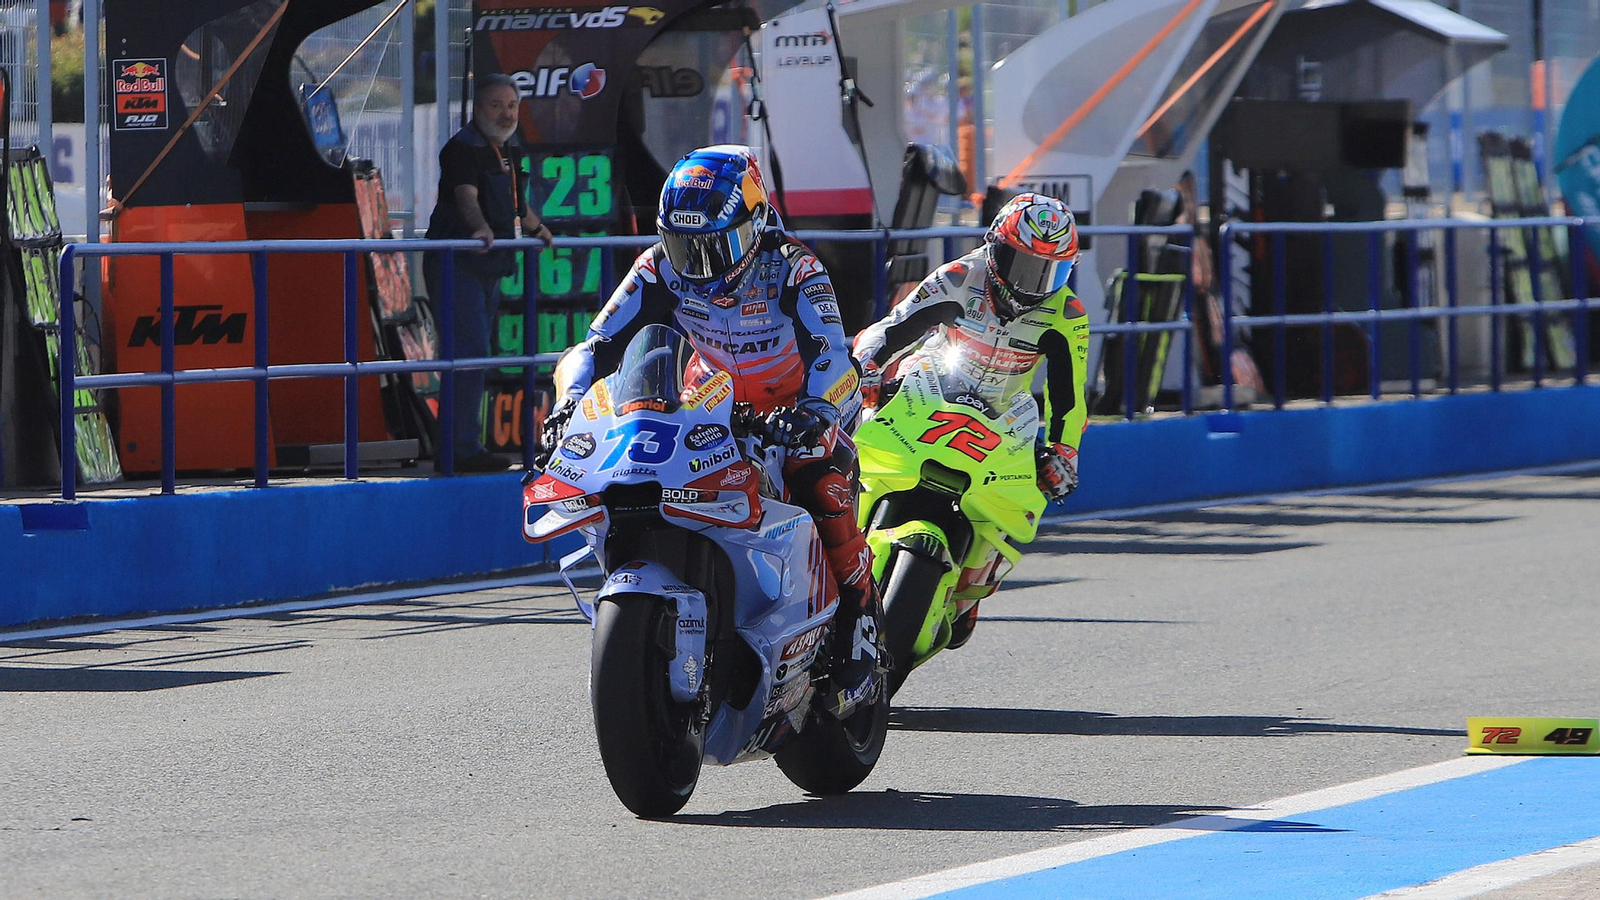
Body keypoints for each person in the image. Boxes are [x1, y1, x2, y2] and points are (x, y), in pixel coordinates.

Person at [545, 145, 882, 718]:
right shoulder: (656, 266)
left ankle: (860, 624)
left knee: (818, 480)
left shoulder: (795, 268)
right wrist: (568, 406)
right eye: (683, 245)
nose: (697, 264)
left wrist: (814, 411)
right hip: (707, 405)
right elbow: (598, 345)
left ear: (755, 226)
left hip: (795, 410)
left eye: (714, 245)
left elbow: (830, 353)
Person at [852, 192, 1087, 641]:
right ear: (994, 248)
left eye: (1048, 271)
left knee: (1024, 491)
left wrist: (1064, 453)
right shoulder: (962, 276)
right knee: (848, 442)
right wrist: (863, 368)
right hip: (931, 388)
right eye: (1021, 265)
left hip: (1004, 413)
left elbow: (1069, 398)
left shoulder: (1067, 313)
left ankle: (968, 591)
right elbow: (896, 326)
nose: (1031, 283)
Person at [423, 73, 554, 473]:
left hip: (489, 267)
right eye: (496, 105)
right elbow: (466, 196)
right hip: (458, 264)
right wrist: (479, 227)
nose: (506, 113)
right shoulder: (462, 149)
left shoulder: (508, 149)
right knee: (467, 356)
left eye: (512, 106)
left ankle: (463, 445)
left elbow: (516, 202)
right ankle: (459, 451)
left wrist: (537, 229)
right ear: (478, 109)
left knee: (476, 355)